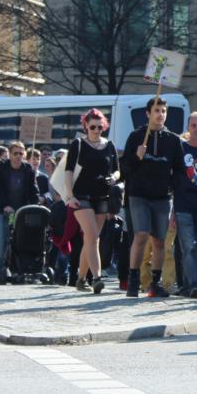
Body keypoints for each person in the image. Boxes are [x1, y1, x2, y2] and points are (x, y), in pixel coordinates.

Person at [120, 97, 183, 298]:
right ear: (148, 114)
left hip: (163, 197)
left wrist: (174, 190)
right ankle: (133, 280)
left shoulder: (173, 140)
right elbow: (124, 169)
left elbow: (180, 171)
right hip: (139, 195)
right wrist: (136, 157)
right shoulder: (136, 136)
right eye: (156, 110)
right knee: (141, 235)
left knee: (159, 241)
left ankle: (155, 283)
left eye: (163, 110)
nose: (160, 114)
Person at [64, 109, 120, 294]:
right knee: (93, 236)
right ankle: (96, 278)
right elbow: (69, 171)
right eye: (93, 126)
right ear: (86, 126)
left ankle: (80, 279)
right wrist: (70, 195)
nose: (97, 130)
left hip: (102, 196)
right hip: (81, 196)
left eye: (100, 126)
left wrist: (113, 177)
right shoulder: (78, 144)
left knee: (90, 239)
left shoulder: (109, 145)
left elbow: (118, 170)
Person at [173, 111, 197, 298]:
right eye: (193, 125)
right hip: (183, 204)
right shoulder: (180, 149)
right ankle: (196, 285)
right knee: (188, 245)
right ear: (188, 128)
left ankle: (188, 286)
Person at [0, 141, 38, 280]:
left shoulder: (28, 169)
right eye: (15, 153)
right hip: (4, 211)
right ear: (10, 155)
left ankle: (17, 270)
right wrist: (5, 205)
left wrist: (37, 202)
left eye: (21, 153)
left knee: (19, 242)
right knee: (1, 244)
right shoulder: (1, 168)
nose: (19, 156)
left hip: (21, 213)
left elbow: (33, 190)